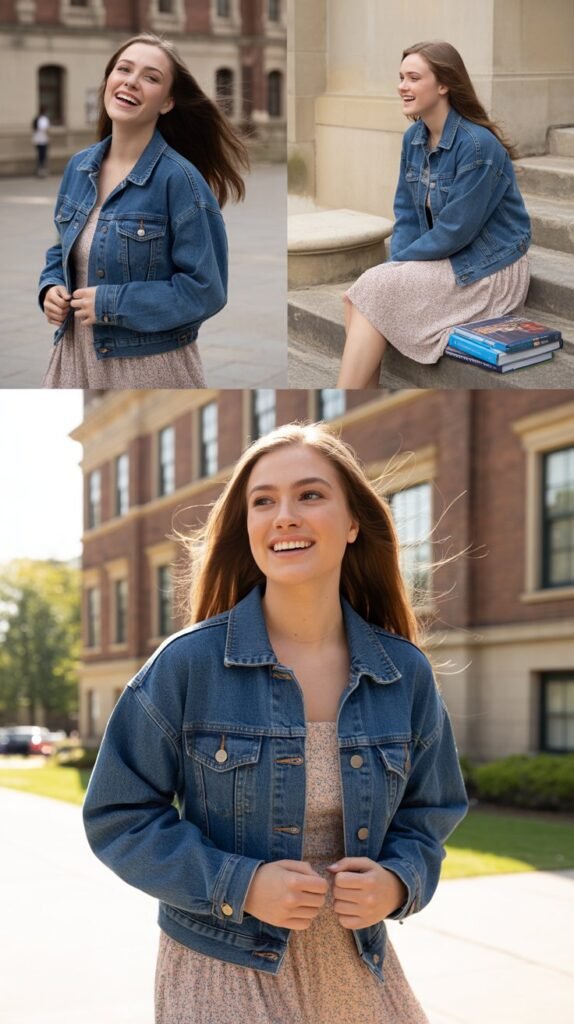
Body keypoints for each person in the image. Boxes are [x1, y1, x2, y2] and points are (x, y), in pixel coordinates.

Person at [83, 422, 468, 1024]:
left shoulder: (404, 673)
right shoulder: (187, 665)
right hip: (223, 967)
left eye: (310, 495)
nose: (284, 515)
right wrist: (239, 884)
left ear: (352, 522)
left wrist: (397, 882)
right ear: (248, 528)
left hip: (355, 964)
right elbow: (118, 815)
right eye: (263, 501)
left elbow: (432, 811)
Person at [38, 33, 248, 389]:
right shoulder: (78, 167)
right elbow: (60, 248)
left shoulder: (180, 181)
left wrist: (112, 301)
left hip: (148, 364)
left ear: (166, 102)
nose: (132, 81)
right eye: (124, 69)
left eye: (150, 77)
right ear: (108, 82)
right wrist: (50, 287)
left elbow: (206, 289)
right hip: (72, 356)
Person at [338, 40, 531, 388]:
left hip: (489, 268)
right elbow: (407, 214)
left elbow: (456, 230)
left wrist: (397, 268)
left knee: (370, 289)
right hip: (448, 256)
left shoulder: (477, 146)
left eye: (413, 78)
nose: (402, 86)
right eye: (401, 77)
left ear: (443, 85)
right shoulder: (414, 137)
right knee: (361, 294)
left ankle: (344, 398)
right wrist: (397, 266)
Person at [32, 106, 50, 177]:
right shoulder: (43, 119)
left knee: (40, 156)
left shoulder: (37, 119)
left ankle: (40, 170)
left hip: (37, 140)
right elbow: (45, 129)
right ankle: (41, 171)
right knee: (42, 156)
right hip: (43, 140)